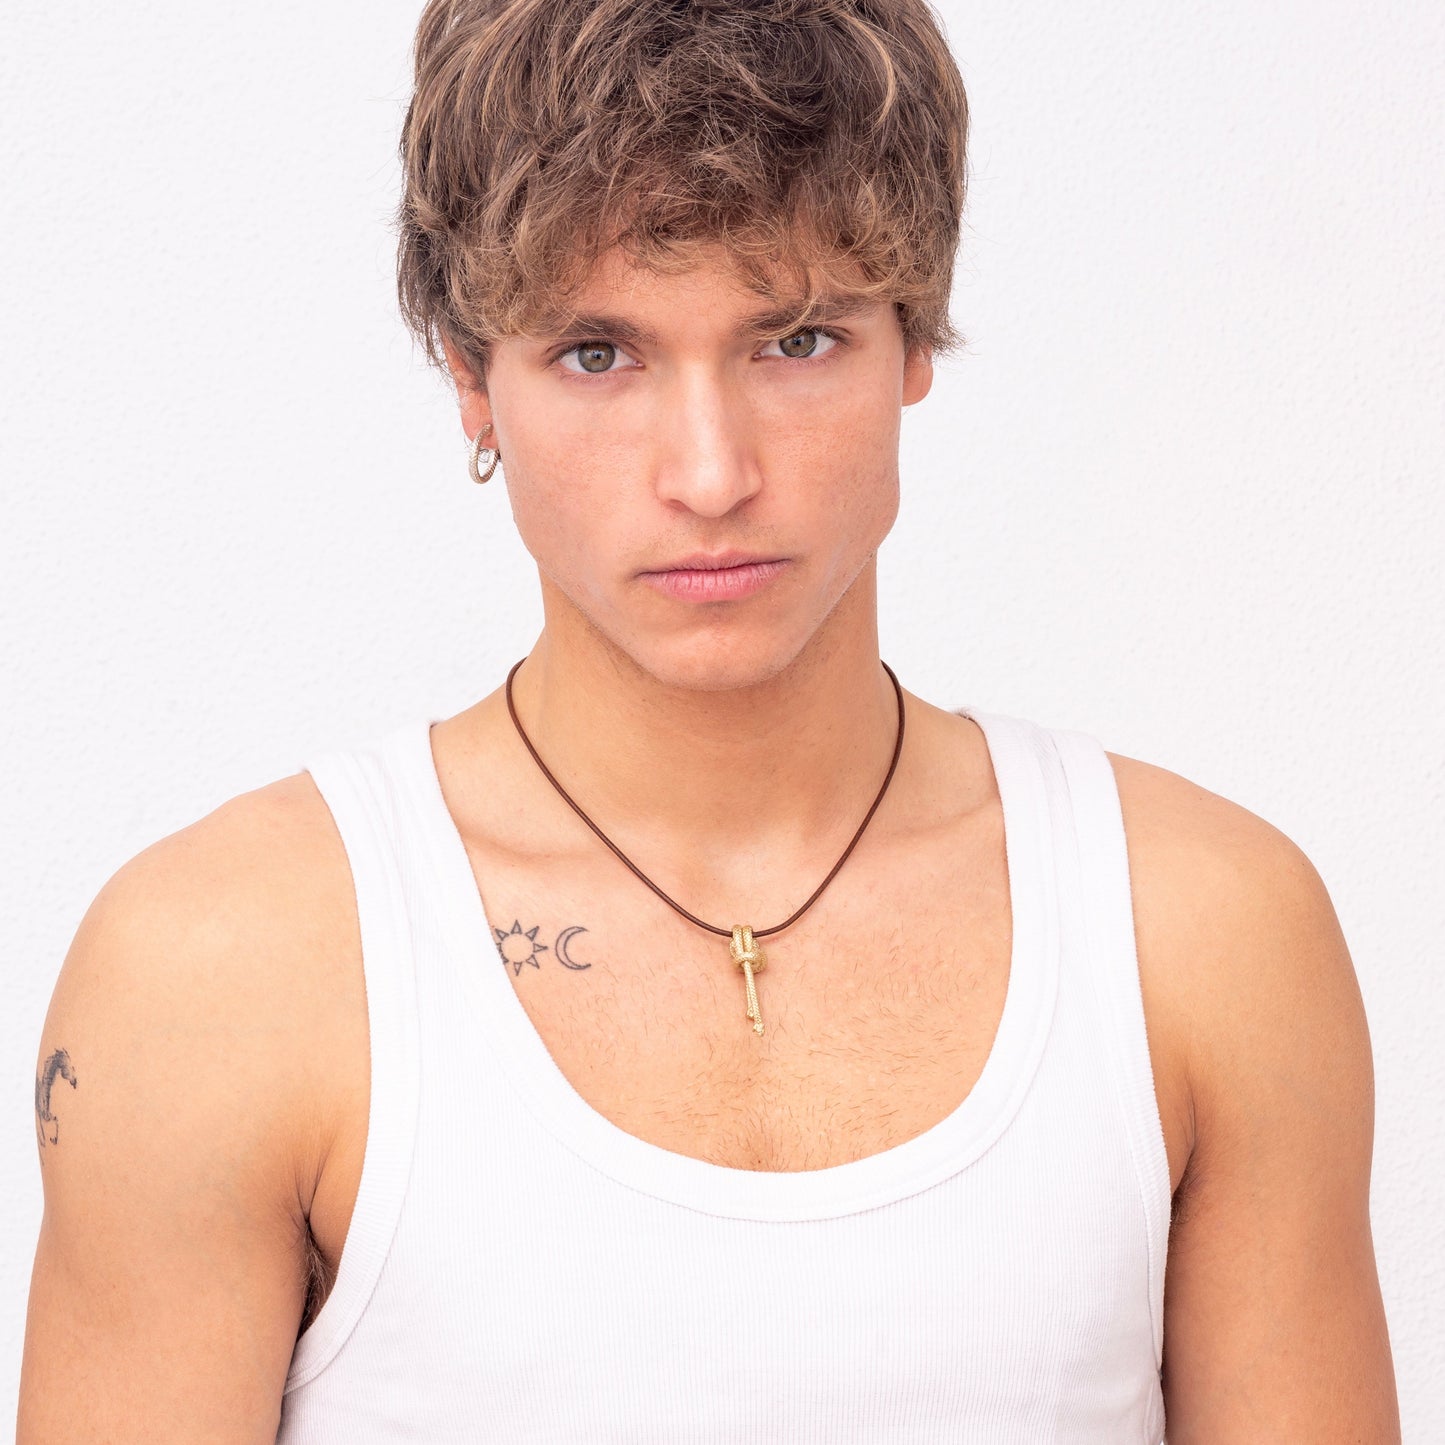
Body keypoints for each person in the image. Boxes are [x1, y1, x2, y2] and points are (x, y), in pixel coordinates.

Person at [18, 0, 1400, 1439]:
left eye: (794, 339)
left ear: (913, 336)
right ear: (468, 377)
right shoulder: (217, 973)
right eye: (598, 355)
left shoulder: (1204, 932)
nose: (709, 471)